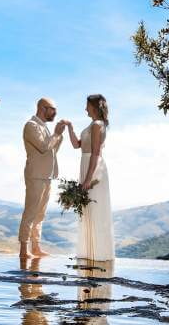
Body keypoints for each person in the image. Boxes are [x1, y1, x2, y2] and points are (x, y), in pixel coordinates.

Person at [66, 94, 115, 261]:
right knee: (88, 211)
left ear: (94, 107)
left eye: (87, 105)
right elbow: (76, 145)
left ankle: (99, 254)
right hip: (86, 165)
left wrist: (88, 179)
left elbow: (95, 153)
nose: (85, 108)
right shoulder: (92, 124)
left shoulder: (97, 125)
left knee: (95, 209)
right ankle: (90, 253)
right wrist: (70, 128)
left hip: (93, 168)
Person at [19, 97, 69, 259]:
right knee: (30, 212)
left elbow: (52, 151)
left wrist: (58, 136)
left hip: (47, 176)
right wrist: (56, 133)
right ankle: (23, 250)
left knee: (40, 214)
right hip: (35, 175)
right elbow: (43, 147)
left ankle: (36, 247)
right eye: (52, 109)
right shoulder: (31, 126)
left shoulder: (44, 127)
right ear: (42, 108)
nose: (55, 112)